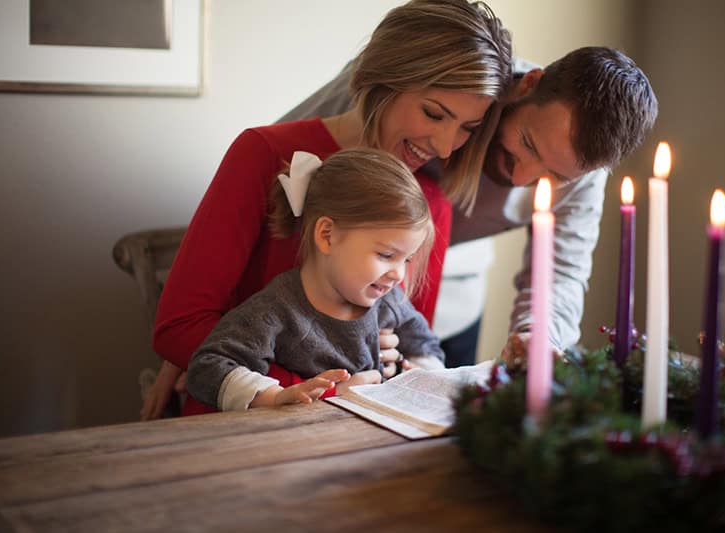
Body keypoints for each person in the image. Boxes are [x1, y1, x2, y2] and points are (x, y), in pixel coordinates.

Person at [141, 0, 513, 419]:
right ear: (384, 78)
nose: (445, 147)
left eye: (467, 128)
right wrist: (313, 390)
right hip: (244, 421)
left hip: (356, 429)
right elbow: (179, 326)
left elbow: (410, 348)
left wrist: (397, 372)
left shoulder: (432, 204)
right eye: (433, 113)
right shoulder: (264, 154)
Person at [280, 46, 658, 365]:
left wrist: (537, 337)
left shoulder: (583, 176)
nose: (522, 178)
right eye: (527, 143)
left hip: (451, 308)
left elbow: (561, 272)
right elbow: (289, 155)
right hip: (316, 300)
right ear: (528, 84)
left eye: (555, 176)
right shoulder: (450, 81)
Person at [186, 148, 444, 410]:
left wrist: (417, 374)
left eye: (407, 259)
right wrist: (275, 398)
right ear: (327, 235)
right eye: (386, 254)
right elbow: (207, 368)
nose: (398, 274)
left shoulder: (390, 302)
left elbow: (427, 350)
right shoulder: (277, 309)